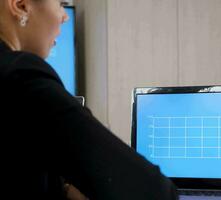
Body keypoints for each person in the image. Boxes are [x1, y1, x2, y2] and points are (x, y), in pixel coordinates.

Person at [0, 0, 177, 199]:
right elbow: (152, 191)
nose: (64, 16)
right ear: (21, 5)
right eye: (59, 3)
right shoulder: (20, 74)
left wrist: (64, 191)